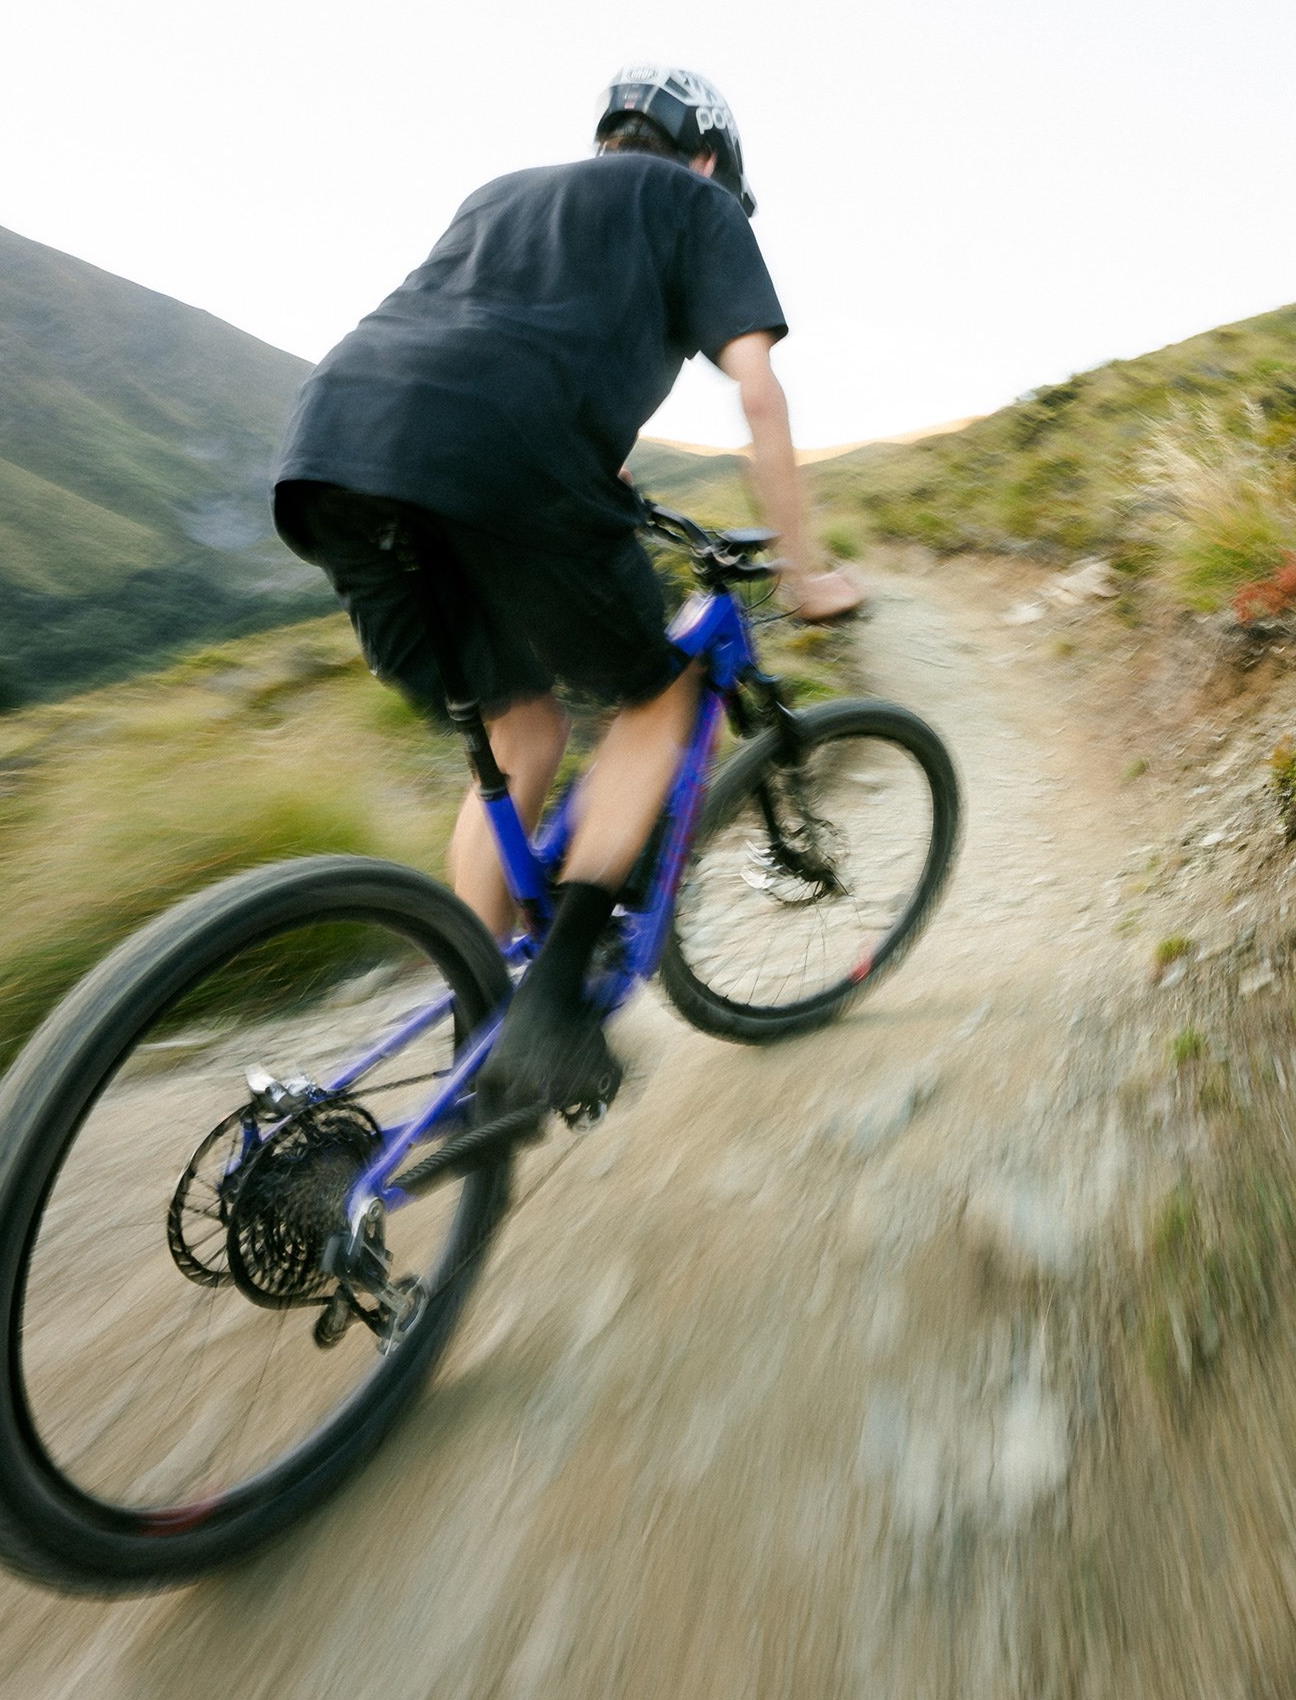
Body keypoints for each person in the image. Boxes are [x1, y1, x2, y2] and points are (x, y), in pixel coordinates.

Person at [269, 63, 860, 1126]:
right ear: (711, 159)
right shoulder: (696, 202)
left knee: (521, 730)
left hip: (333, 449)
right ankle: (551, 1004)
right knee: (663, 696)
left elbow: (488, 343)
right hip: (498, 452)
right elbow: (760, 396)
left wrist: (600, 480)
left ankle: (472, 1030)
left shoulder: (503, 194)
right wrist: (806, 569)